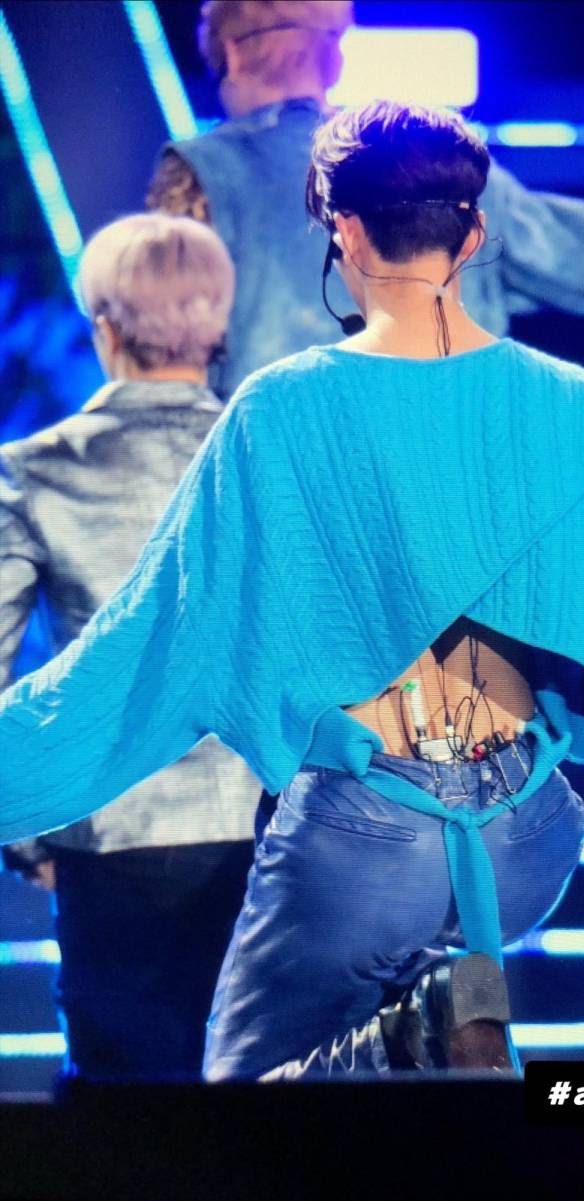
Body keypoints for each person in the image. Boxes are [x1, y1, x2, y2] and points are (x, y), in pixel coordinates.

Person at [1, 102, 584, 1083]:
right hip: (527, 835)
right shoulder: (576, 408)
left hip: (368, 835)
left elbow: (141, 658)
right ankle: (430, 1036)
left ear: (340, 230)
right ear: (475, 231)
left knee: (240, 1107)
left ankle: (404, 1039)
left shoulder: (279, 409)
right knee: (434, 1129)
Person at [147, 0, 584, 402]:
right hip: (454, 499)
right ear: (335, 58)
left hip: (286, 523)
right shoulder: (435, 159)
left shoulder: (197, 178)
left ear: (228, 54)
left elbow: (158, 358)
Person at [0, 214, 263, 1081]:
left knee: (131, 1123)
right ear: (218, 324)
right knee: (283, 1122)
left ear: (104, 326)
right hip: (278, 834)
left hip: (112, 838)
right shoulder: (273, 460)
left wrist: (26, 832)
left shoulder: (32, 470)